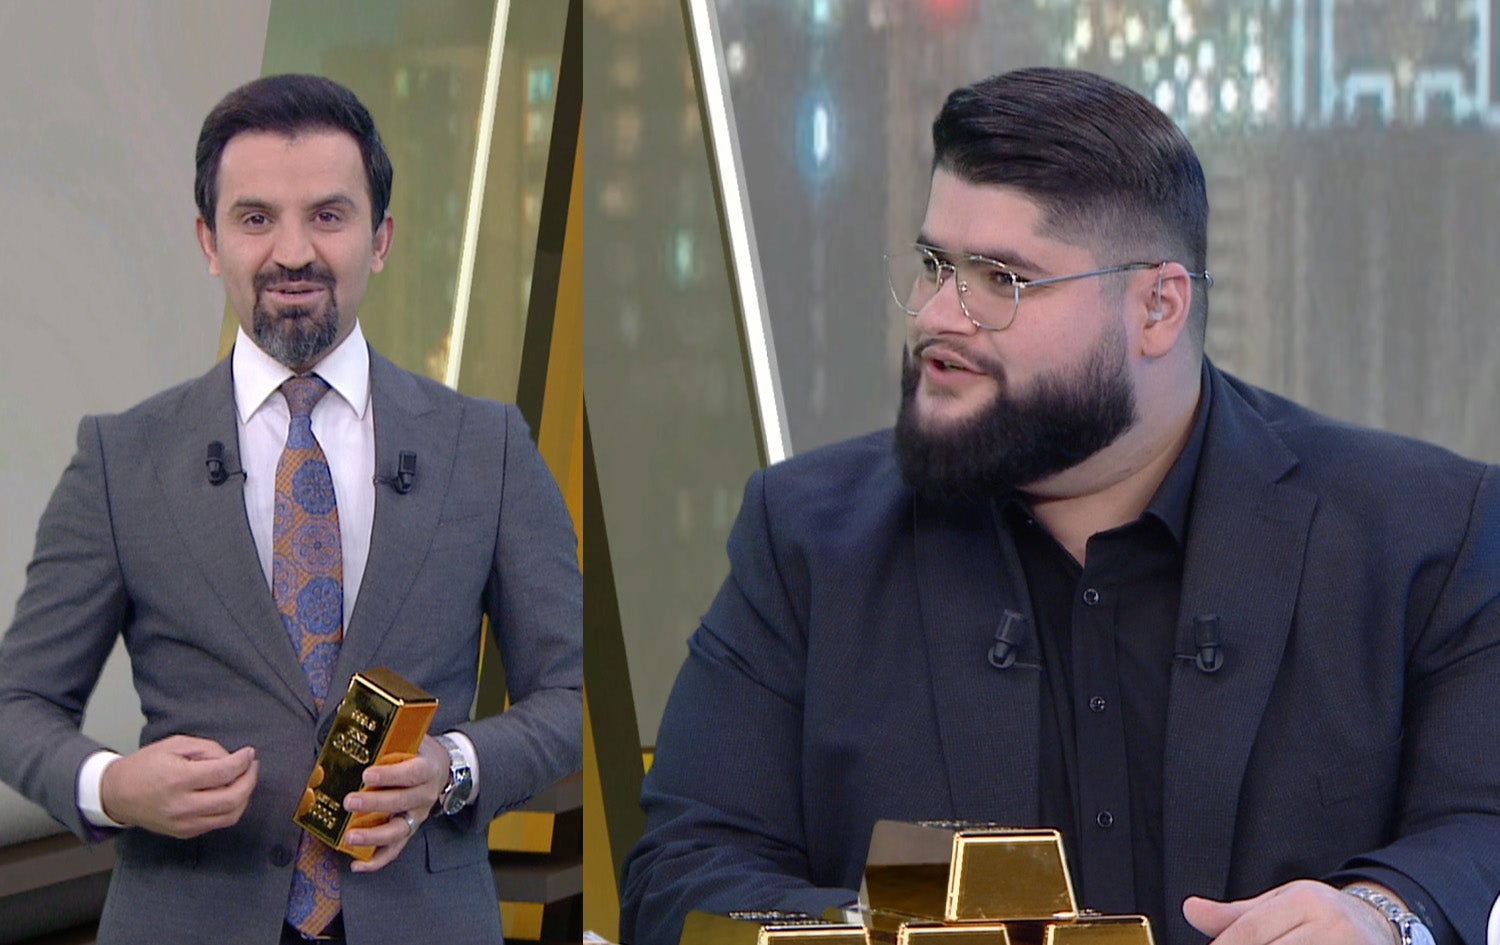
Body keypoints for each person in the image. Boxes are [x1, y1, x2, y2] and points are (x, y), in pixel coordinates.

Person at [618, 68, 1500, 945]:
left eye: (1001, 279)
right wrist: (894, 934)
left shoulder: (1426, 535)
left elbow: (1481, 824)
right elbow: (684, 870)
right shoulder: (805, 540)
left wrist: (1385, 913)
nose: (937, 317)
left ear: (1157, 306)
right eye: (934, 266)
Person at [0, 74, 582, 945]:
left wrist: (453, 766)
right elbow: (18, 702)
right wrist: (113, 786)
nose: (294, 252)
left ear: (380, 240)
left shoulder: (488, 447)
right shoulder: (121, 459)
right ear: (209, 241)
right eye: (256, 218)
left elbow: (570, 692)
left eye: (329, 215)